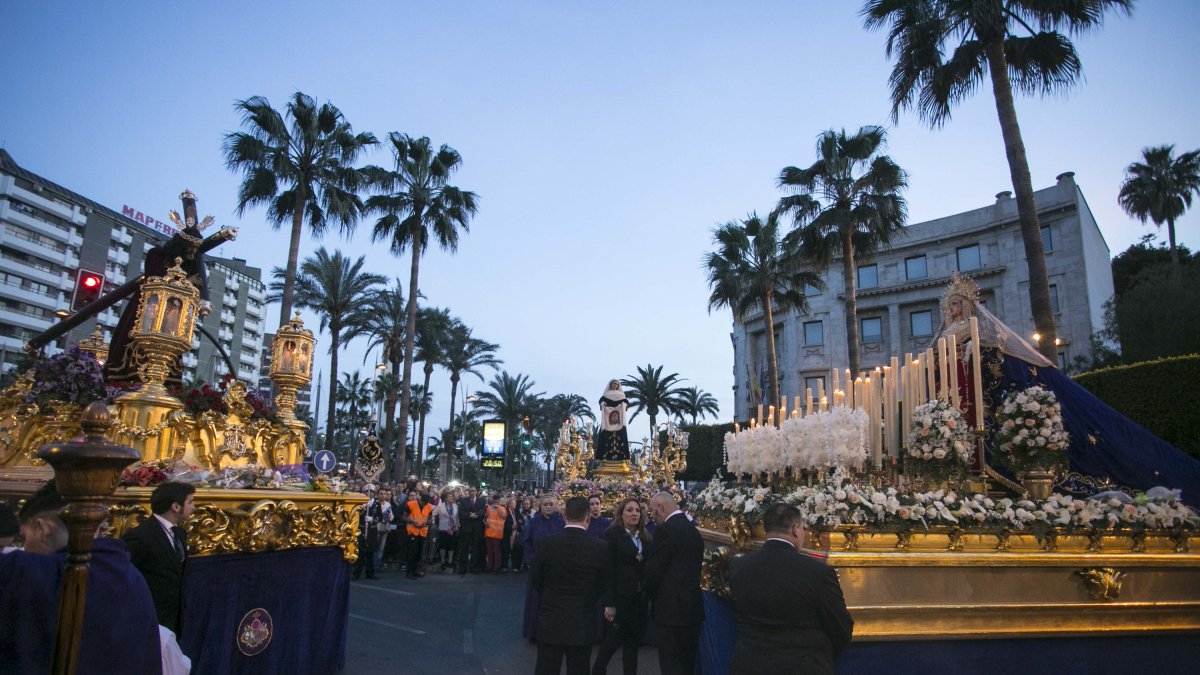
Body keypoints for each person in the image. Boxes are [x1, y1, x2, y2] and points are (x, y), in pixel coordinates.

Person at [933, 273, 1200, 505]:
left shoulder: (973, 326)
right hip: (951, 380)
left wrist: (969, 349)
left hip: (967, 377)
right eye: (950, 304)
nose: (953, 307)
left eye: (957, 303)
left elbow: (992, 344)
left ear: (967, 305)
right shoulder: (947, 329)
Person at [0, 481, 163, 674]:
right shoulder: (130, 574)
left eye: (24, 537)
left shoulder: (29, 571)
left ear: (42, 528)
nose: (24, 548)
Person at [728, 503, 853, 674]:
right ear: (796, 529)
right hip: (802, 665)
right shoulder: (817, 572)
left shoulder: (739, 565)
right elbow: (841, 628)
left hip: (750, 663)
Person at [533, 496, 608, 675]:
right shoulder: (599, 548)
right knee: (580, 669)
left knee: (546, 668)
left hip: (551, 620)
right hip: (582, 621)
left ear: (565, 516)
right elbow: (602, 584)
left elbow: (536, 580)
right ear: (588, 518)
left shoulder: (546, 544)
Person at [122, 481, 196, 635]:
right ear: (176, 507)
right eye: (190, 502)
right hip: (150, 617)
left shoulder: (180, 534)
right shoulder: (141, 536)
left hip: (174, 617)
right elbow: (125, 577)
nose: (193, 507)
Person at [644, 491, 704, 675]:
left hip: (669, 610)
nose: (652, 516)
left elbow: (654, 570)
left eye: (652, 511)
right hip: (692, 608)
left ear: (661, 508)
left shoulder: (666, 530)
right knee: (687, 663)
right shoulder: (692, 529)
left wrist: (647, 593)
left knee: (671, 663)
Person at [592, 497, 650, 675]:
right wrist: (609, 602)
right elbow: (607, 570)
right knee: (614, 639)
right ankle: (598, 670)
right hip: (620, 596)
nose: (634, 513)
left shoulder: (645, 537)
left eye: (637, 510)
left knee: (632, 641)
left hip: (638, 597)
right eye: (629, 510)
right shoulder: (612, 535)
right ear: (621, 514)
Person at [523, 494, 566, 640]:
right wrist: (530, 561)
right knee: (536, 600)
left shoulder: (561, 522)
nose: (548, 507)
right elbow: (527, 543)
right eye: (546, 504)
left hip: (556, 569)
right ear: (541, 506)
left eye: (551, 504)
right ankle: (534, 632)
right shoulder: (533, 523)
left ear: (556, 506)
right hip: (538, 567)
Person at [598, 380, 630, 462]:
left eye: (617, 384)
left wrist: (624, 405)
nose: (615, 385)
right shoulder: (606, 394)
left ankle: (621, 457)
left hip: (620, 422)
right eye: (614, 383)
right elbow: (601, 401)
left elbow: (625, 402)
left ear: (618, 385)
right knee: (606, 437)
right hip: (607, 420)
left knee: (620, 437)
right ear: (610, 385)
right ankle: (605, 456)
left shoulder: (621, 395)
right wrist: (603, 403)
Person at [353, 485, 381, 580]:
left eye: (371, 492)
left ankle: (370, 573)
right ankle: (356, 573)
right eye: (367, 491)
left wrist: (373, 519)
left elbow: (380, 517)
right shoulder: (360, 504)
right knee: (360, 553)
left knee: (370, 553)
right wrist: (362, 510)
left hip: (372, 531)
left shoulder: (377, 504)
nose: (369, 493)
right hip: (362, 529)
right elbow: (355, 515)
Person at [458, 486, 487, 575]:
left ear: (476, 492)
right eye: (470, 491)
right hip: (466, 528)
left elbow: (483, 511)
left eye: (473, 491)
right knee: (464, 549)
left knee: (475, 548)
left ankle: (473, 567)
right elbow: (461, 512)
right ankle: (463, 568)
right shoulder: (463, 501)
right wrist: (469, 515)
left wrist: (476, 514)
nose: (471, 492)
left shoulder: (481, 501)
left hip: (477, 528)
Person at [404, 491, 433, 580]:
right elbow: (404, 517)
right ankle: (409, 572)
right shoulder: (411, 504)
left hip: (423, 532)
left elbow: (430, 519)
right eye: (423, 503)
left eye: (425, 503)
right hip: (412, 531)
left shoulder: (429, 506)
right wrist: (413, 522)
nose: (424, 505)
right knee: (413, 552)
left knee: (419, 552)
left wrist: (425, 523)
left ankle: (415, 570)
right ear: (420, 500)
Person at [432, 490, 459, 571]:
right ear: (446, 498)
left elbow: (457, 517)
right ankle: (443, 561)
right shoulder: (441, 506)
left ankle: (450, 561)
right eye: (450, 497)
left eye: (452, 496)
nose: (451, 498)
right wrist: (434, 523)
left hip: (453, 529)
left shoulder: (455, 506)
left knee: (451, 545)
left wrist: (458, 527)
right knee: (443, 545)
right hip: (443, 528)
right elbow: (433, 513)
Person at [484, 494, 508, 573]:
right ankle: (489, 567)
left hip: (497, 534)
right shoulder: (489, 508)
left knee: (496, 552)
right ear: (493, 500)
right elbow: (485, 518)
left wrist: (498, 508)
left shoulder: (503, 508)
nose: (496, 501)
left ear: (499, 501)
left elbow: (503, 516)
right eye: (495, 499)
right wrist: (484, 523)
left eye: (497, 500)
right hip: (488, 533)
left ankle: (496, 568)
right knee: (489, 552)